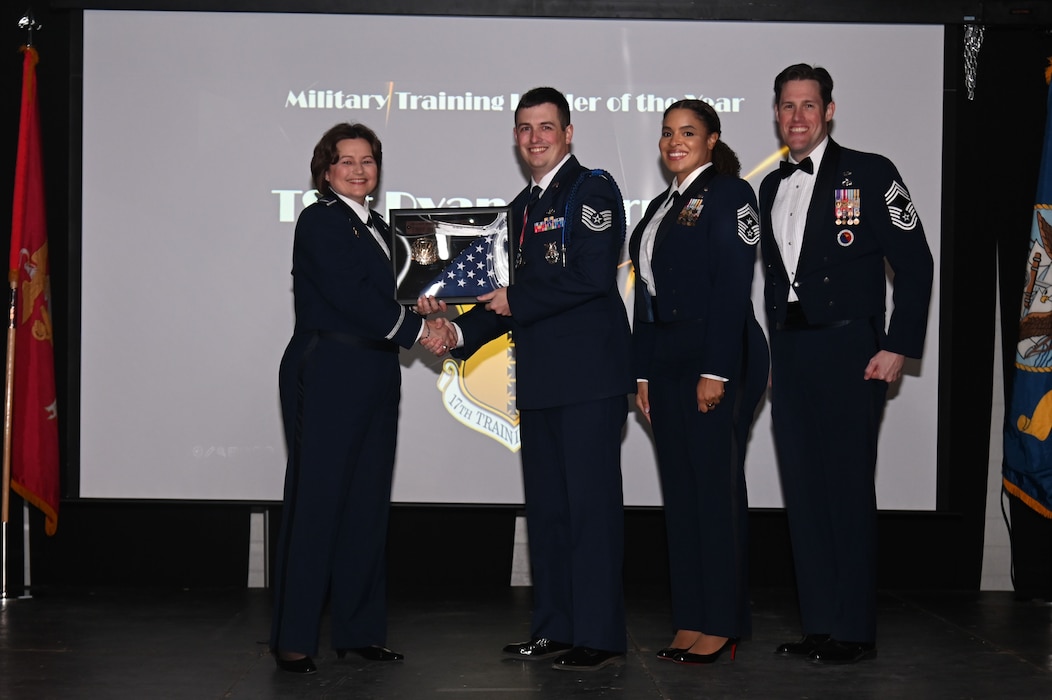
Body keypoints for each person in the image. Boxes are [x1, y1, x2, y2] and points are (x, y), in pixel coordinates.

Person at [417, 87, 633, 671]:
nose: (534, 138)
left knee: (590, 511)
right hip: (540, 382)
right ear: (516, 137)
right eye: (524, 129)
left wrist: (514, 298)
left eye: (545, 127)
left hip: (588, 380)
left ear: (567, 132)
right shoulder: (519, 208)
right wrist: (457, 333)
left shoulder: (593, 189)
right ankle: (555, 627)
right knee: (550, 511)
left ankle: (599, 634)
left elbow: (591, 277)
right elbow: (498, 301)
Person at [758, 64, 934, 664]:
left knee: (848, 491)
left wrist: (896, 345)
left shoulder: (871, 172)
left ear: (829, 111)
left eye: (809, 105)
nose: (798, 117)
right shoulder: (770, 186)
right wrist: (774, 356)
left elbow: (916, 264)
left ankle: (854, 629)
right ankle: (820, 625)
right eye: (788, 106)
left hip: (851, 352)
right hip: (793, 353)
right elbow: (775, 285)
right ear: (776, 113)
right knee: (803, 493)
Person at [271, 122, 447, 673]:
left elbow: (399, 293)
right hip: (328, 365)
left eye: (367, 160)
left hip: (375, 367)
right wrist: (421, 333)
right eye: (345, 161)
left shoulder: (382, 229)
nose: (358, 170)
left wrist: (433, 309)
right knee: (319, 502)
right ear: (326, 170)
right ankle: (295, 637)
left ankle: (360, 630)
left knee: (368, 503)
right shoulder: (319, 220)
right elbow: (350, 297)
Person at [629, 99, 768, 665]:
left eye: (687, 132)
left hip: (716, 354)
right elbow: (645, 294)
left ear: (713, 139)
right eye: (667, 133)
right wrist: (640, 369)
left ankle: (723, 622)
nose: (674, 141)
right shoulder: (663, 204)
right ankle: (691, 618)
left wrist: (717, 370)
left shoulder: (732, 194)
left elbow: (735, 285)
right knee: (682, 496)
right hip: (665, 359)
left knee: (714, 493)